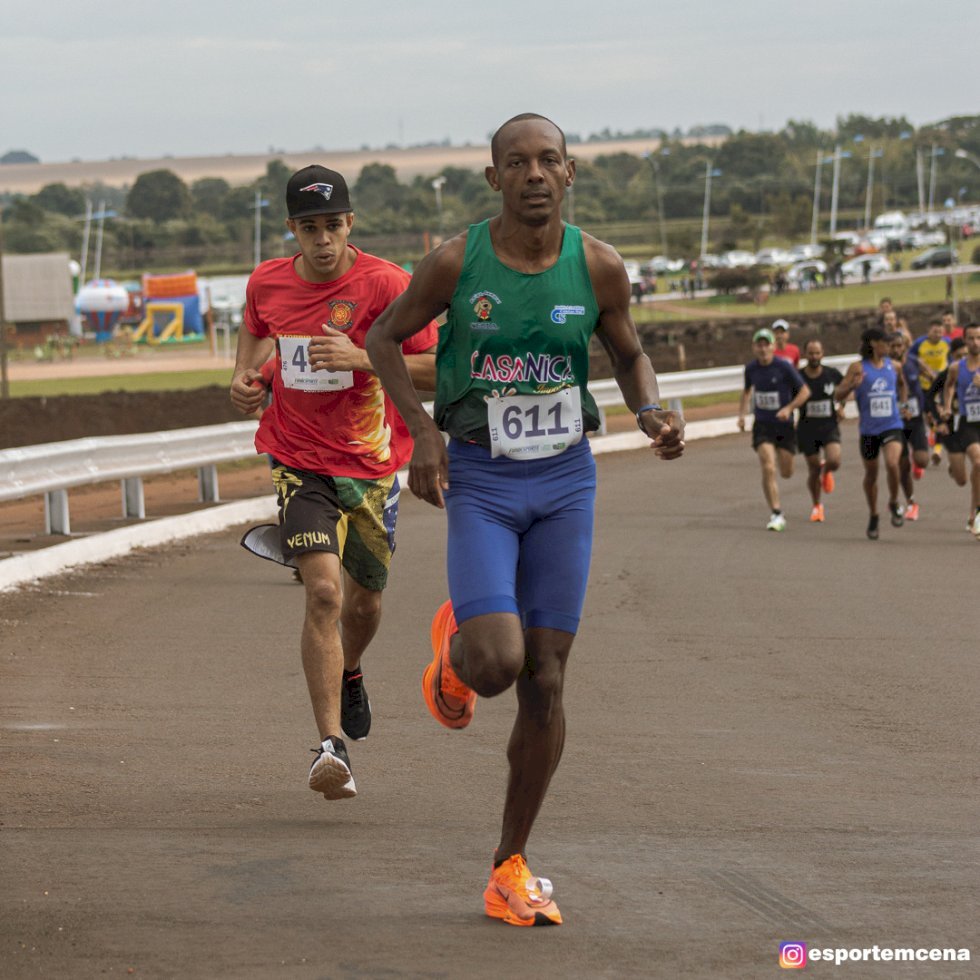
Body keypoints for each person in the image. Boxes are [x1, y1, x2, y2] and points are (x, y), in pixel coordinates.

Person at [365, 113, 685, 927]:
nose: (534, 173)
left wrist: (650, 412)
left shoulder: (598, 266)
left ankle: (509, 866)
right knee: (500, 664)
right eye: (518, 162)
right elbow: (383, 339)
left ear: (570, 173)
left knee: (547, 678)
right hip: (482, 477)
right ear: (495, 178)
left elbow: (629, 353)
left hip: (566, 481)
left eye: (549, 160)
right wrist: (426, 433)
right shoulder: (455, 262)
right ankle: (457, 653)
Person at [229, 165, 438, 800]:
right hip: (298, 459)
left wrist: (362, 355)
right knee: (323, 594)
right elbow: (258, 336)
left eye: (333, 226)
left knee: (364, 601)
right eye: (309, 228)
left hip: (372, 466)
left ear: (351, 223)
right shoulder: (267, 281)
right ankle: (330, 747)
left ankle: (351, 670)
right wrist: (246, 379)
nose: (322, 240)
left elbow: (435, 367)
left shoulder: (387, 283)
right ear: (292, 228)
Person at [836, 327, 909, 540]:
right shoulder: (858, 368)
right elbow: (837, 394)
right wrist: (851, 386)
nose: (889, 346)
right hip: (869, 429)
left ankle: (894, 502)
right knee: (871, 474)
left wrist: (903, 404)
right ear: (873, 344)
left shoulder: (894, 366)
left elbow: (903, 386)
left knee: (893, 463)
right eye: (885, 342)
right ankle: (874, 514)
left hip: (892, 424)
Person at [737, 328, 811, 530]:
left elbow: (805, 392)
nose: (762, 349)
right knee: (768, 466)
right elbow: (746, 392)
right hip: (762, 426)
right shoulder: (751, 369)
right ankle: (776, 513)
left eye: (766, 344)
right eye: (758, 345)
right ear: (754, 348)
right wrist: (742, 416)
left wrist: (789, 408)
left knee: (786, 472)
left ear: (772, 346)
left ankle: (782, 457)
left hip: (784, 426)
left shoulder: (784, 367)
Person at [797, 338, 844, 522]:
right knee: (813, 468)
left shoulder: (832, 374)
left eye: (817, 353)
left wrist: (841, 406)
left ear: (823, 354)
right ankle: (817, 505)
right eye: (811, 353)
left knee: (834, 460)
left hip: (829, 426)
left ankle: (828, 471)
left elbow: (844, 390)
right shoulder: (798, 377)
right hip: (807, 428)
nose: (814, 356)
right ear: (805, 354)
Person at [940, 322, 980, 539]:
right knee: (978, 462)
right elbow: (949, 385)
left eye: (979, 338)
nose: (975, 342)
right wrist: (947, 406)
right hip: (969, 423)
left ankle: (973, 514)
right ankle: (978, 515)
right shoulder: (957, 367)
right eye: (971, 338)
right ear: (964, 340)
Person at [889, 331, 930, 520]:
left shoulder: (914, 362)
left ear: (904, 346)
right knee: (902, 466)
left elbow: (933, 377)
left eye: (899, 345)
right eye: (892, 346)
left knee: (922, 460)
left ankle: (917, 462)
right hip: (895, 422)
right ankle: (912, 503)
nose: (896, 349)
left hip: (915, 419)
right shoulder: (885, 367)